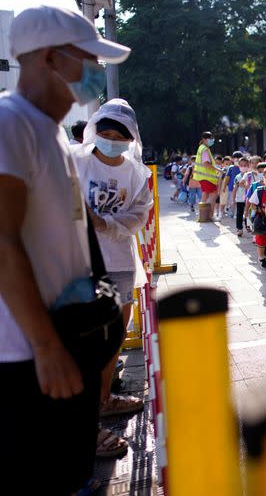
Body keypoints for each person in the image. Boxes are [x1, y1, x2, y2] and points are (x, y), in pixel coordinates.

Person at [0, 4, 130, 495]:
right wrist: (45, 345)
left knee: (67, 471)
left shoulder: (52, 132)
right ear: (51, 59)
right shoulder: (9, 124)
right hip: (27, 354)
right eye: (87, 59)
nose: (95, 73)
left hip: (62, 340)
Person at [72, 99, 153, 459]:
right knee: (85, 341)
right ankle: (83, 424)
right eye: (103, 132)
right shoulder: (74, 161)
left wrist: (107, 224)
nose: (109, 139)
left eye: (117, 135)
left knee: (112, 339)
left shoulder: (138, 175)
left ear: (130, 138)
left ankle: (103, 400)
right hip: (79, 265)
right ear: (93, 131)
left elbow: (138, 216)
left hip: (116, 266)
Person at [248, 164, 266, 268]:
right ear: (263, 178)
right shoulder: (259, 191)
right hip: (262, 220)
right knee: (261, 240)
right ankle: (261, 259)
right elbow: (252, 205)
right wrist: (261, 210)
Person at [193, 131, 220, 211]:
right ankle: (210, 214)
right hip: (207, 177)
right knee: (213, 194)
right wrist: (218, 170)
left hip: (204, 177)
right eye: (210, 139)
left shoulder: (202, 148)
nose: (212, 140)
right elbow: (206, 164)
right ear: (205, 139)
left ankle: (203, 214)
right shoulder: (204, 149)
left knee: (206, 193)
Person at [232, 157, 253, 237]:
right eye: (241, 165)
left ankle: (248, 226)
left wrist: (246, 186)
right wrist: (233, 199)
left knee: (249, 213)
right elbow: (235, 188)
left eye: (245, 165)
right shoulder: (238, 177)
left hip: (250, 199)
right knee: (239, 214)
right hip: (240, 198)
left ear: (248, 165)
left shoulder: (251, 175)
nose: (243, 167)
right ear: (239, 166)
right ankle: (239, 228)